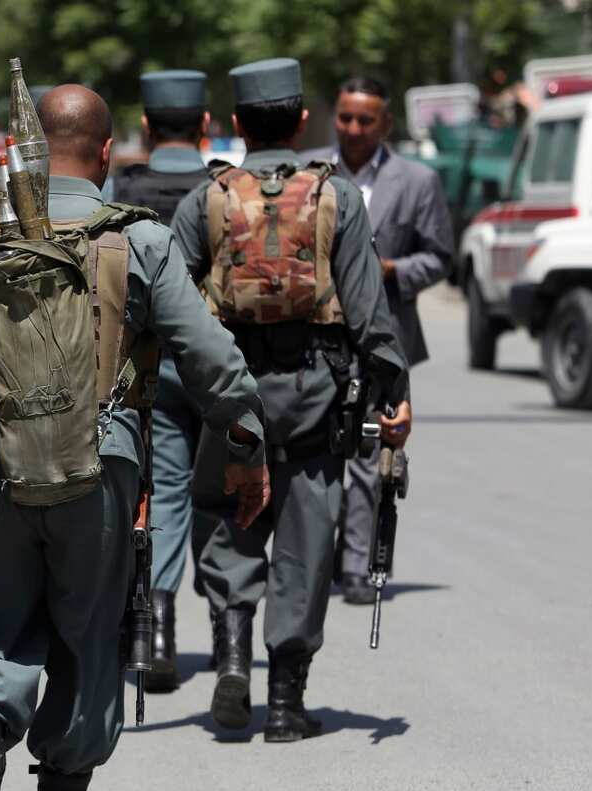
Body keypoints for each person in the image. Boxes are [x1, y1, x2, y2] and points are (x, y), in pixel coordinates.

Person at [0, 84, 268, 791]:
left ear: (27, 145)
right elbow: (213, 363)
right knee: (90, 633)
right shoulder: (140, 241)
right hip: (101, 464)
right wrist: (247, 446)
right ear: (109, 150)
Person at [171, 59, 411, 743]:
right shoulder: (338, 195)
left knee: (227, 517)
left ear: (239, 123)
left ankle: (233, 657)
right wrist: (391, 392)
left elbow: (171, 298)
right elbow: (369, 311)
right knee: (308, 534)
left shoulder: (208, 198)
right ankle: (283, 704)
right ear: (304, 120)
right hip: (316, 393)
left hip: (231, 394)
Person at [302, 75, 453, 604]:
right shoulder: (309, 173)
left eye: (365, 120)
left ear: (385, 124)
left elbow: (440, 257)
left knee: (373, 448)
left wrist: (390, 270)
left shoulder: (418, 182)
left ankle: (358, 568)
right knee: (319, 452)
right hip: (318, 336)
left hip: (385, 335)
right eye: (345, 117)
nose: (353, 128)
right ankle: (315, 562)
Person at [109, 69, 212, 692]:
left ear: (146, 127)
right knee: (227, 498)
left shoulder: (123, 191)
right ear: (204, 125)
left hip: (151, 367)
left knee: (165, 493)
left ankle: (159, 629)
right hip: (215, 361)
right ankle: (233, 639)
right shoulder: (223, 188)